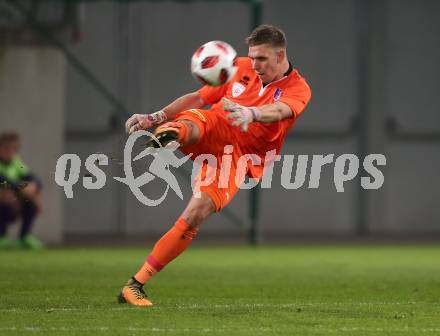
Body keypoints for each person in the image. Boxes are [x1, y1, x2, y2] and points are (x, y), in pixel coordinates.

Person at [120, 24, 311, 306]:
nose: (254, 65)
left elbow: (280, 110)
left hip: (240, 156)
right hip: (216, 125)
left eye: (262, 58)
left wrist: (252, 113)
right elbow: (199, 98)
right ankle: (171, 134)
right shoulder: (239, 67)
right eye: (252, 57)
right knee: (196, 120)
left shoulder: (298, 88)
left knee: (195, 214)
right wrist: (155, 117)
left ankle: (134, 285)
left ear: (280, 55)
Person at [0, 132, 44, 249]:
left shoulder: (16, 162)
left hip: (13, 203)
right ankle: (1, 236)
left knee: (32, 196)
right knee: (6, 192)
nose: (11, 151)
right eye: (7, 148)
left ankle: (24, 237)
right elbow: (4, 181)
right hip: (4, 202)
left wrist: (33, 186)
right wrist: (22, 188)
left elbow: (32, 177)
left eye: (15, 148)